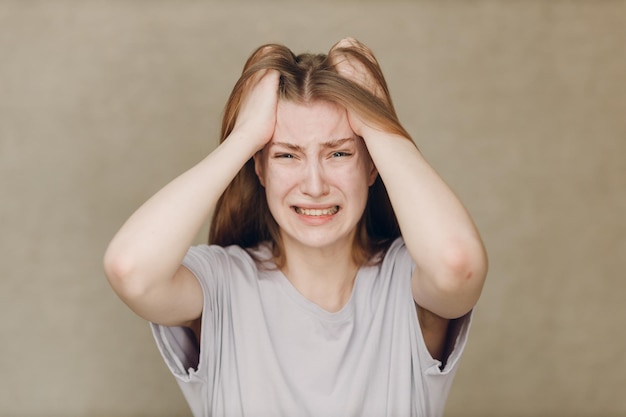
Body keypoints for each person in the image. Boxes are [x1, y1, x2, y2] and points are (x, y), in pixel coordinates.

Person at [103, 37, 488, 417]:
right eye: (287, 155)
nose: (315, 185)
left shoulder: (407, 283)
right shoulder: (220, 284)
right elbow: (131, 270)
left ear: (373, 164)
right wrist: (245, 136)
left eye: (338, 153)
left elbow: (458, 263)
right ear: (260, 168)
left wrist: (376, 120)